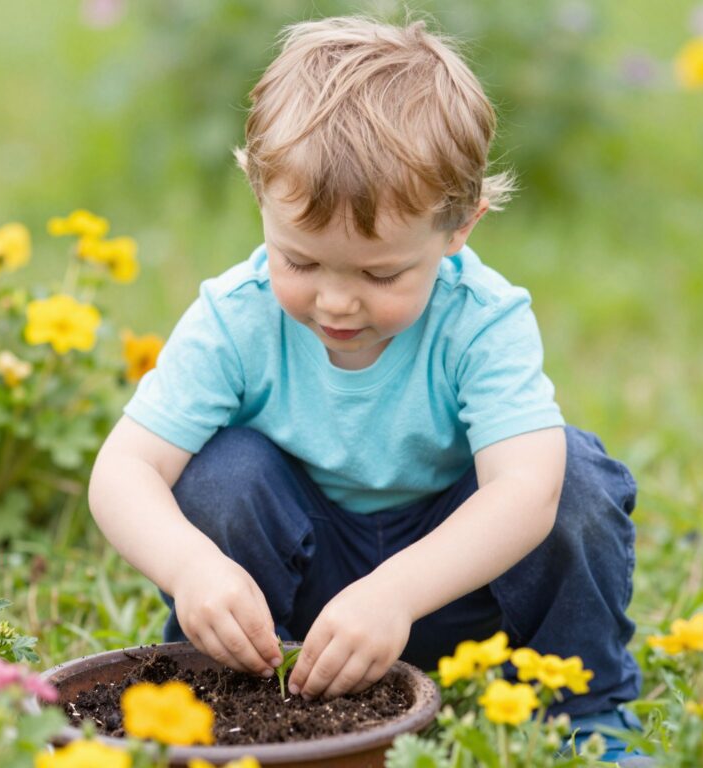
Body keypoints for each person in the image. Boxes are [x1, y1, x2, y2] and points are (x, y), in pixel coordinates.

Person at [89, 15, 645, 762]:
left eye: (381, 274)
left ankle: (587, 714)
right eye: (301, 262)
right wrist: (194, 568)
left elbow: (527, 493)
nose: (337, 302)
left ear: (459, 229)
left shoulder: (480, 321)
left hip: (457, 595)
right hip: (289, 612)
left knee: (575, 480)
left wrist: (398, 592)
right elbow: (122, 471)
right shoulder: (236, 317)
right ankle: (236, 699)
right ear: (259, 195)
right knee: (224, 476)